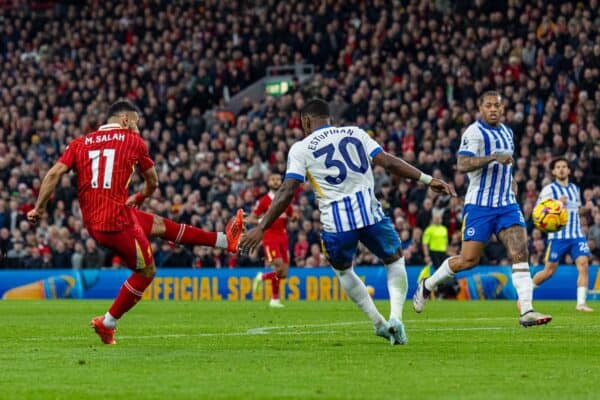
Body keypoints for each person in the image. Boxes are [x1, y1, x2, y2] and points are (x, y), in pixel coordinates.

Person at [239, 98, 455, 345]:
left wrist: (261, 226)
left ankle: (379, 324)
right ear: (329, 117)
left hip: (336, 224)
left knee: (343, 271)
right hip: (370, 215)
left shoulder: (301, 148)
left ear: (306, 121)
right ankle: (396, 317)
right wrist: (427, 179)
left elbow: (287, 190)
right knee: (395, 259)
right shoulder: (356, 133)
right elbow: (388, 162)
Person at [27, 100, 244, 345]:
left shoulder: (79, 143)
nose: (138, 130)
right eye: (137, 124)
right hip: (116, 221)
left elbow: (54, 173)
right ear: (125, 120)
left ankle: (226, 240)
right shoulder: (133, 142)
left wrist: (39, 208)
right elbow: (153, 183)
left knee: (162, 226)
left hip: (97, 220)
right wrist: (141, 196)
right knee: (146, 271)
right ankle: (107, 323)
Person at [412, 91, 552, 327]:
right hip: (479, 206)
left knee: (520, 252)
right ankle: (428, 285)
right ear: (481, 109)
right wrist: (491, 158)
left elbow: (507, 165)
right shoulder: (474, 132)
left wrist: (512, 182)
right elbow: (462, 163)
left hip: (506, 204)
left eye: (497, 105)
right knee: (468, 260)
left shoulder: (508, 132)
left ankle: (526, 310)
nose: (493, 109)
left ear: (503, 108)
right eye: (488, 106)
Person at [532, 158, 593, 312]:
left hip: (576, 234)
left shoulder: (574, 189)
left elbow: (575, 211)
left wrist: (585, 208)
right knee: (549, 272)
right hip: (558, 236)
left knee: (583, 265)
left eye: (564, 167)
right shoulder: (549, 190)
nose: (561, 169)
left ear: (569, 170)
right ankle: (525, 293)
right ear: (553, 171)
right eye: (558, 167)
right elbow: (538, 211)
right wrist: (557, 203)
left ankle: (581, 303)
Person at [248, 172, 294, 308]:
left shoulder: (285, 199)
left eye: (277, 179)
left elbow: (291, 215)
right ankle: (262, 280)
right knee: (278, 266)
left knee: (283, 272)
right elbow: (251, 218)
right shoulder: (264, 201)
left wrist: (294, 217)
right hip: (270, 237)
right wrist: (263, 221)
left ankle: (274, 298)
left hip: (283, 237)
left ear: (281, 182)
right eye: (272, 179)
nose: (275, 181)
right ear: (268, 182)